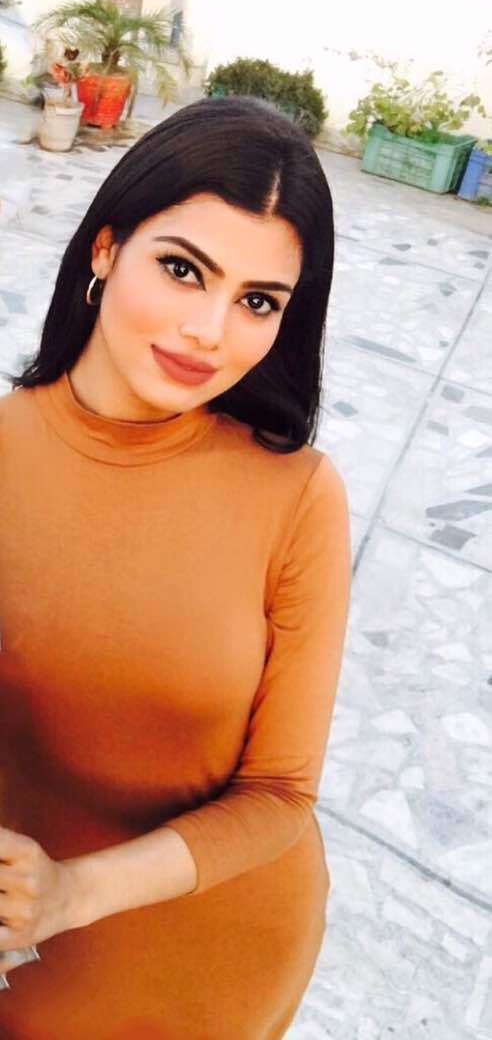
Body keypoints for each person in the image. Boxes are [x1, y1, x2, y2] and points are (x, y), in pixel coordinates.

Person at [0, 95, 352, 1039]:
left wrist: (73, 893)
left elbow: (282, 795)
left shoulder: (298, 496)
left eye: (258, 301)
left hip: (209, 959)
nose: (209, 330)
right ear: (106, 247)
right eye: (183, 269)